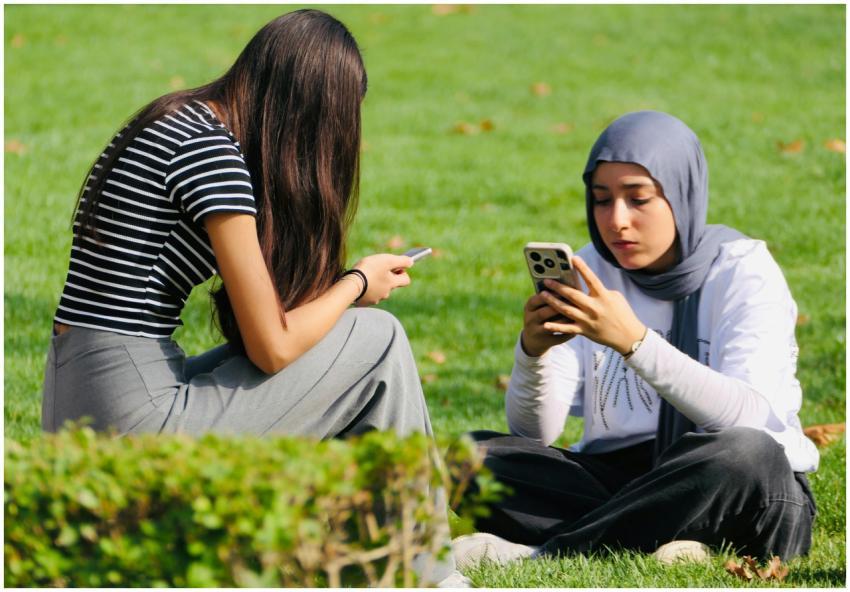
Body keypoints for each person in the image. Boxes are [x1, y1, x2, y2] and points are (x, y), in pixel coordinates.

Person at [42, 10, 465, 586]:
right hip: (131, 417)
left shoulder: (171, 119)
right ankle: (427, 574)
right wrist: (358, 282)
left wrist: (340, 294)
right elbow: (272, 346)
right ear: (310, 107)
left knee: (356, 343)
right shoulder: (214, 157)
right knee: (379, 337)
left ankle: (371, 553)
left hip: (76, 395)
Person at [454, 111, 818, 567]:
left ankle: (544, 553)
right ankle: (674, 539)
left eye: (638, 199)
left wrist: (635, 343)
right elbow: (535, 434)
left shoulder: (743, 269)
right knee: (473, 459)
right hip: (626, 476)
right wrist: (535, 354)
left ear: (682, 195)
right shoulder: (591, 270)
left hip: (733, 476)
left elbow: (747, 416)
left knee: (747, 453)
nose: (616, 220)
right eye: (601, 200)